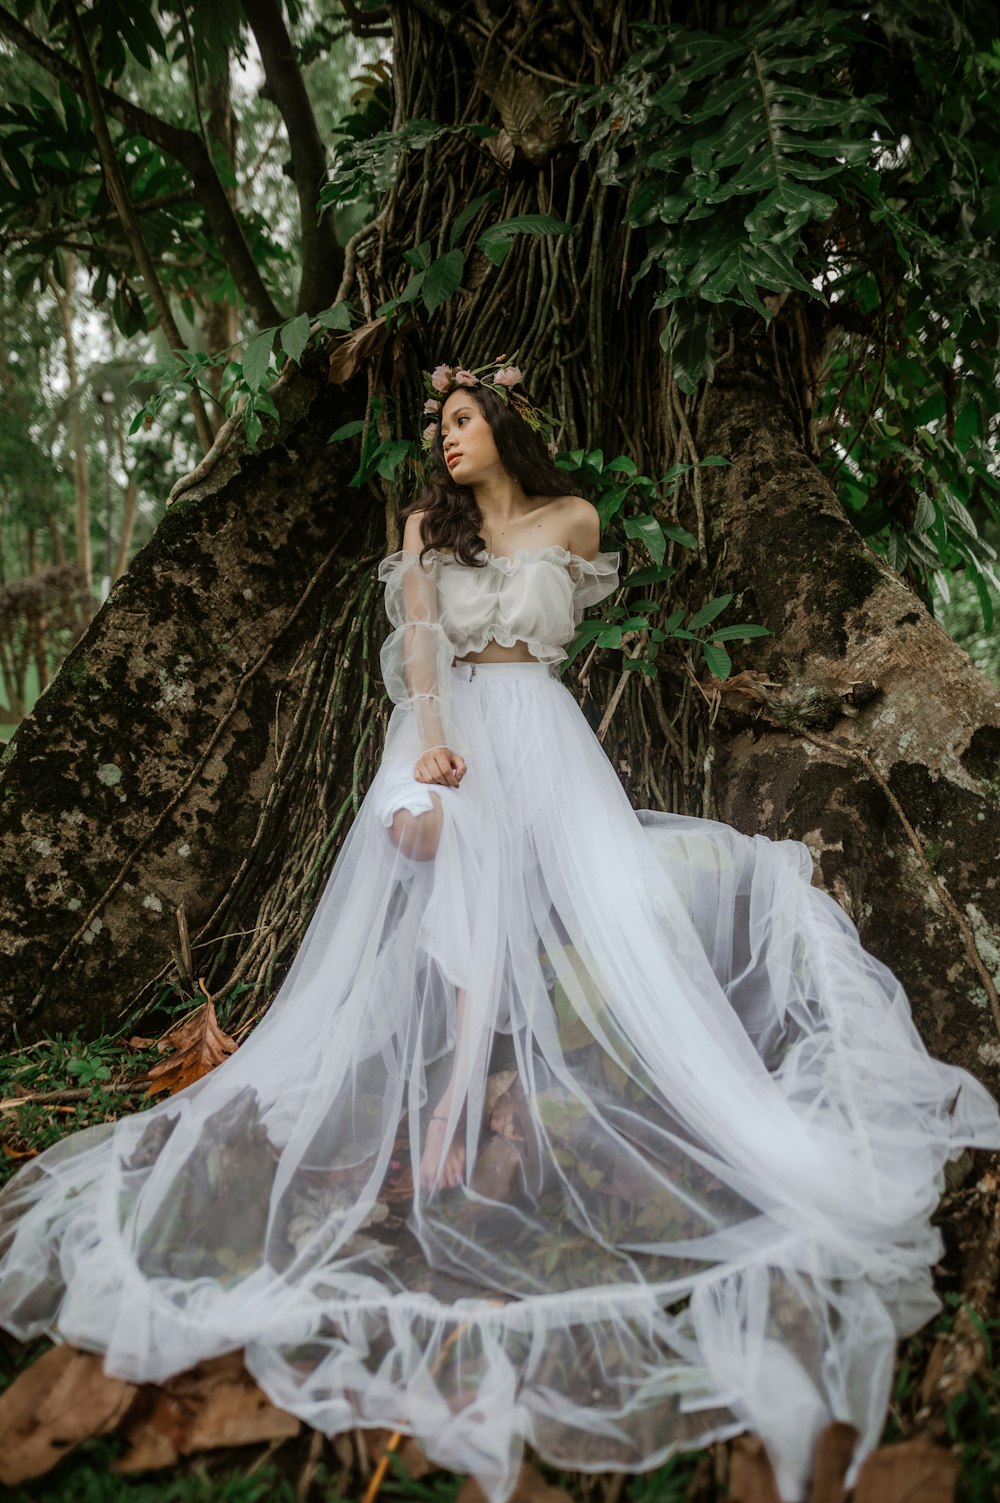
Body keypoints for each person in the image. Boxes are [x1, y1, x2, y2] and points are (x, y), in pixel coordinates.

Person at [0, 357, 998, 1503]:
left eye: (463, 417)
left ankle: (584, 1076)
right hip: (447, 727)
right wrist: (429, 740)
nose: (447, 437)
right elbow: (420, 642)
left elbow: (559, 633)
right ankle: (453, 1094)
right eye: (440, 423)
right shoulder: (427, 529)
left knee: (616, 908)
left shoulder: (574, 521)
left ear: (505, 422)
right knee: (436, 840)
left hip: (545, 729)